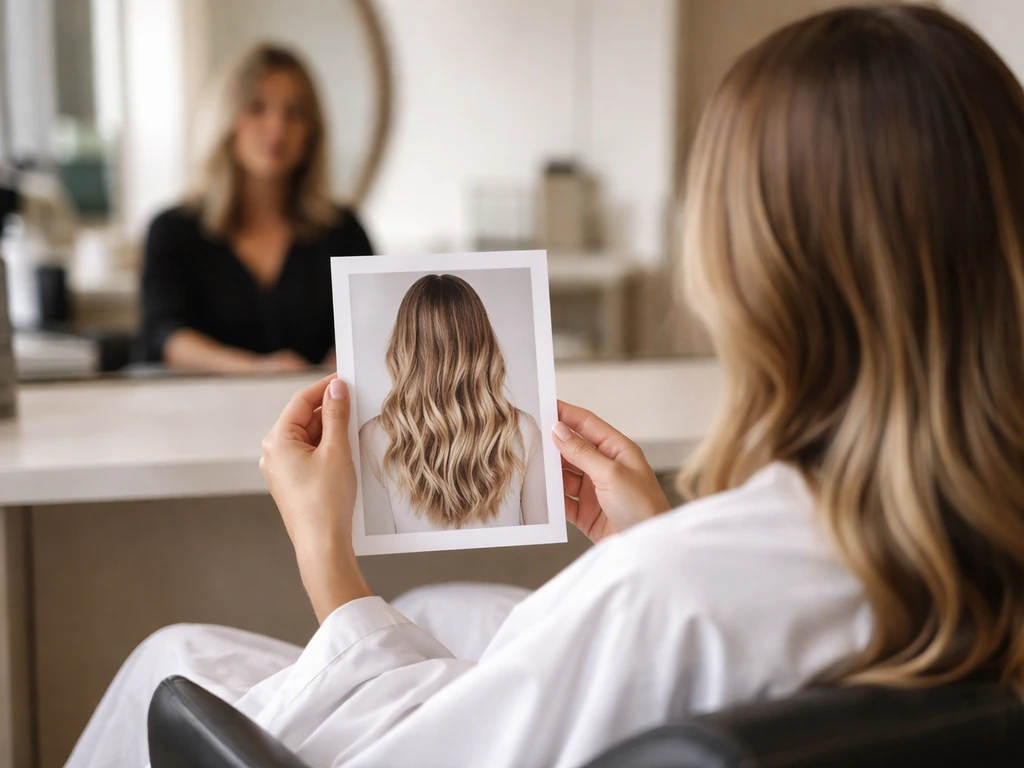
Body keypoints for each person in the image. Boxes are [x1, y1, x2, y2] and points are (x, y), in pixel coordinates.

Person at [68, 6, 1024, 767]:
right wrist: (650, 537)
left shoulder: (672, 596)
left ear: (755, 277)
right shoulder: (956, 550)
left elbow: (404, 754)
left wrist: (328, 562)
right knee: (445, 605)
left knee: (171, 656)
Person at [140, 44, 373, 374]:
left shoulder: (344, 230)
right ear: (226, 121)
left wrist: (340, 367)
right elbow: (164, 336)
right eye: (256, 107)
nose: (277, 128)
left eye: (294, 112)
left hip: (320, 416)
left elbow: (373, 325)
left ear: (311, 131)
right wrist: (257, 370)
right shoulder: (173, 230)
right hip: (201, 414)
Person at [359, 274, 547, 534]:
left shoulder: (372, 437)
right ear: (482, 342)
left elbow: (378, 550)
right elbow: (543, 537)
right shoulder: (523, 430)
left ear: (405, 346)